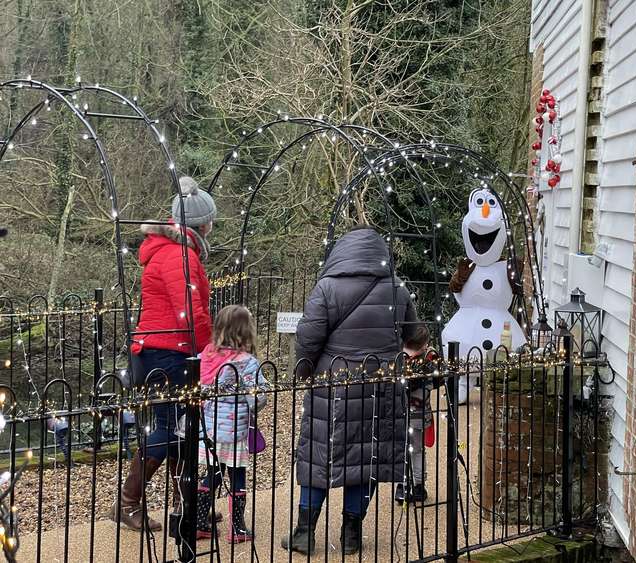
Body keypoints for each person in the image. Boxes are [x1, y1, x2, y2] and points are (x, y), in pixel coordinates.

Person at [283, 225, 419, 555]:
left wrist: (303, 370)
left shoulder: (327, 287)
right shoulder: (397, 289)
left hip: (333, 388)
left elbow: (307, 339)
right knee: (365, 460)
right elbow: (416, 336)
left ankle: (304, 532)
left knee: (318, 458)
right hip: (380, 389)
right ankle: (351, 534)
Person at [109, 176, 216, 531]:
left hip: (166, 349)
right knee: (170, 429)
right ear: (202, 223)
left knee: (181, 429)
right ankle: (127, 502)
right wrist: (210, 349)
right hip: (169, 352)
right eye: (210, 220)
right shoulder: (179, 255)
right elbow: (191, 311)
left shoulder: (176, 251)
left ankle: (186, 502)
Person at [195, 305, 268, 543]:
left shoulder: (205, 355)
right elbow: (256, 400)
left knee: (213, 473)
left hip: (209, 428)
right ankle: (237, 528)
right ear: (246, 332)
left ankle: (199, 522)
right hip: (235, 432)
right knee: (238, 476)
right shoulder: (246, 362)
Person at [395, 324, 439, 504]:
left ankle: (408, 486)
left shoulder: (402, 358)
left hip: (406, 414)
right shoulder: (429, 358)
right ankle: (413, 486)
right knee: (415, 451)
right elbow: (436, 382)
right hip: (416, 414)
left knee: (406, 450)